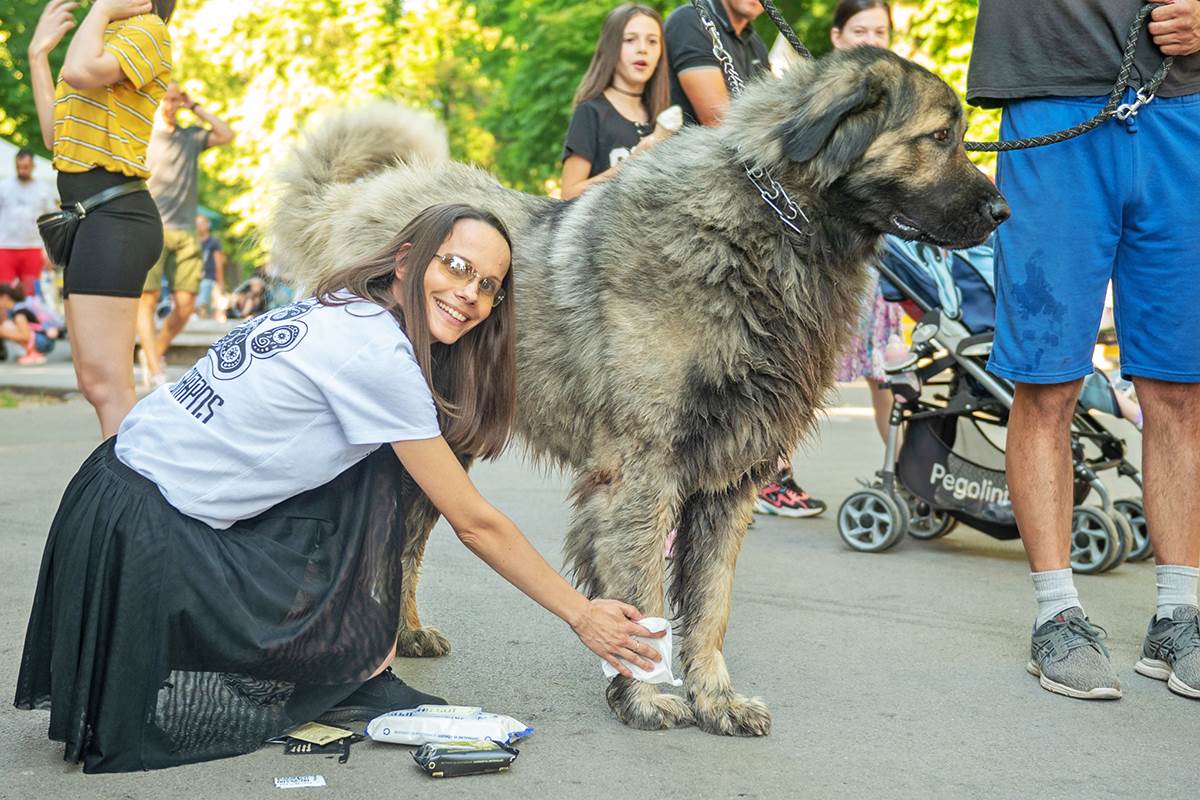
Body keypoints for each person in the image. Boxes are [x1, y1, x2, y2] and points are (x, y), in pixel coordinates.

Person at [14, 203, 664, 773]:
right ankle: (345, 666)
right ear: (407, 261)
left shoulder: (347, 306)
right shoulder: (377, 357)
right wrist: (583, 614)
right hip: (140, 539)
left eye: (489, 285)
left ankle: (360, 667)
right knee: (396, 468)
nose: (470, 294)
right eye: (457, 267)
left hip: (109, 499)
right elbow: (474, 522)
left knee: (381, 464)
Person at [967, 0, 1200, 700]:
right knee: (1047, 382)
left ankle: (1179, 614)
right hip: (1051, 105)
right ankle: (1057, 616)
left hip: (1182, 108)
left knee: (1182, 388)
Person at [664, 0, 826, 518]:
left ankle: (762, 472)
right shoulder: (693, 21)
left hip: (745, 217)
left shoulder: (754, 42)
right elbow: (720, 120)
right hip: (692, 216)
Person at [26, 0, 174, 438]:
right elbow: (58, 137)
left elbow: (80, 72)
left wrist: (103, 10)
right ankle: (123, 496)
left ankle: (127, 501)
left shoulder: (148, 31)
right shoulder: (102, 37)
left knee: (109, 386)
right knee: (94, 383)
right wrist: (37, 55)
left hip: (116, 217)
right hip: (90, 219)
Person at [823, 0, 908, 445]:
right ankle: (773, 476)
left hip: (881, 256)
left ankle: (906, 470)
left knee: (886, 371)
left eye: (880, 32)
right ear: (837, 38)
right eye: (861, 31)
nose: (872, 42)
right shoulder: (823, 100)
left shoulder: (904, 102)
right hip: (829, 250)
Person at [136, 82, 236, 385]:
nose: (170, 104)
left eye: (176, 99)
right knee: (148, 300)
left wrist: (195, 107)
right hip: (151, 227)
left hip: (186, 231)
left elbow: (227, 135)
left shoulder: (190, 137)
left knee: (186, 304)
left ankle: (155, 350)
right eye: (165, 99)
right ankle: (154, 368)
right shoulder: (143, 138)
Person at [561, 4, 670, 200]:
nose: (643, 49)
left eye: (653, 41)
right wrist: (629, 164)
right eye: (630, 40)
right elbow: (568, 194)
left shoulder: (662, 119)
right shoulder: (591, 112)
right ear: (611, 47)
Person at [0, 148, 58, 298]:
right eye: (19, 167)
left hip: (33, 247)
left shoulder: (43, 189)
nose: (22, 170)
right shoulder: (3, 187)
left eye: (26, 167)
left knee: (30, 293)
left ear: (33, 166)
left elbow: (51, 221)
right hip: (6, 246)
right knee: (4, 292)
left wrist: (50, 252)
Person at [0, 283, 64, 366]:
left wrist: (3, 333)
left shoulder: (19, 313)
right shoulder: (15, 309)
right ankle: (31, 353)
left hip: (42, 341)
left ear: (5, 297)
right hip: (42, 338)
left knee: (5, 326)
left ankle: (33, 353)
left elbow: (25, 336)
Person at [194, 214, 226, 320]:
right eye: (197, 223)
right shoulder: (192, 242)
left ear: (208, 225)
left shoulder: (213, 242)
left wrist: (220, 282)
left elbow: (219, 263)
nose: (199, 226)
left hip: (209, 277)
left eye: (202, 223)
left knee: (203, 304)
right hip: (195, 277)